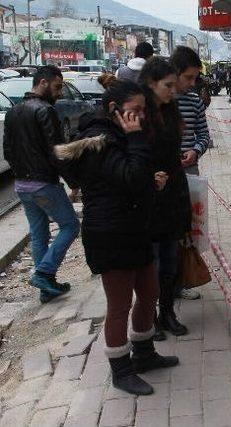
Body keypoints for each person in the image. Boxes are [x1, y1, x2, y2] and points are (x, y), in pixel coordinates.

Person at [55, 78, 178, 396]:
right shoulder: (100, 141)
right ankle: (121, 370)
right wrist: (138, 146)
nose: (141, 116)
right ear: (114, 110)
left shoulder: (117, 136)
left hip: (133, 228)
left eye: (143, 110)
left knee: (149, 292)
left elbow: (129, 180)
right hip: (110, 235)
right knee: (120, 305)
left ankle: (144, 353)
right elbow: (130, 178)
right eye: (134, 111)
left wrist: (151, 181)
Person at [2, 65, 80, 304]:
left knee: (39, 234)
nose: (59, 93)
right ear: (43, 82)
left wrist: (21, 174)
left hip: (22, 186)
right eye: (57, 87)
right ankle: (44, 274)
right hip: (43, 184)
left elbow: (8, 150)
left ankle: (46, 288)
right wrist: (73, 182)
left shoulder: (14, 111)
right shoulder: (45, 111)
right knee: (70, 226)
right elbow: (57, 152)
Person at [139, 58, 191, 340]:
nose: (174, 90)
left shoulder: (170, 112)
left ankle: (167, 311)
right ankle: (148, 319)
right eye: (168, 85)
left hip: (172, 192)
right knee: (153, 261)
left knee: (170, 260)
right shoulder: (137, 114)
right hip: (148, 196)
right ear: (150, 83)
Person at [169, 46, 211, 300]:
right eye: (188, 77)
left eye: (195, 78)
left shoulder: (194, 101)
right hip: (164, 176)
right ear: (174, 73)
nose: (192, 83)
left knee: (187, 230)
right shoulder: (159, 99)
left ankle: (181, 281)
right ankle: (166, 284)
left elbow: (205, 136)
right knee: (167, 232)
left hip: (189, 175)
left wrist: (195, 150)